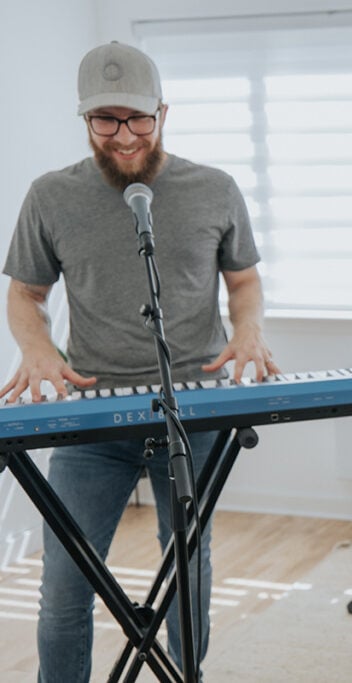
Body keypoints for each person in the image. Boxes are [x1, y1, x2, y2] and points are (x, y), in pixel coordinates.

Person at [0, 42, 277, 682]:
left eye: (138, 119)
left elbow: (243, 282)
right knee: (66, 584)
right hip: (95, 421)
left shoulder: (214, 189)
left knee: (188, 566)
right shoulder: (50, 196)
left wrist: (250, 328)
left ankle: (186, 677)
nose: (123, 136)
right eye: (106, 120)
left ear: (163, 112)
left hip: (195, 408)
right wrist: (37, 345)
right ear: (85, 120)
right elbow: (25, 293)